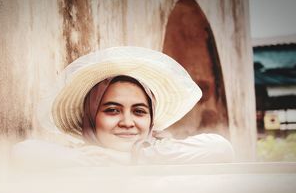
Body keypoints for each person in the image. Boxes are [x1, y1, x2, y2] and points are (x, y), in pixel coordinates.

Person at [14, 46, 234, 167]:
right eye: (112, 110)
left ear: (150, 120)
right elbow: (22, 153)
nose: (127, 122)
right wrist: (97, 160)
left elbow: (219, 148)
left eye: (139, 111)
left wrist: (134, 158)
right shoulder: (75, 160)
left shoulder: (165, 154)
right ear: (91, 116)